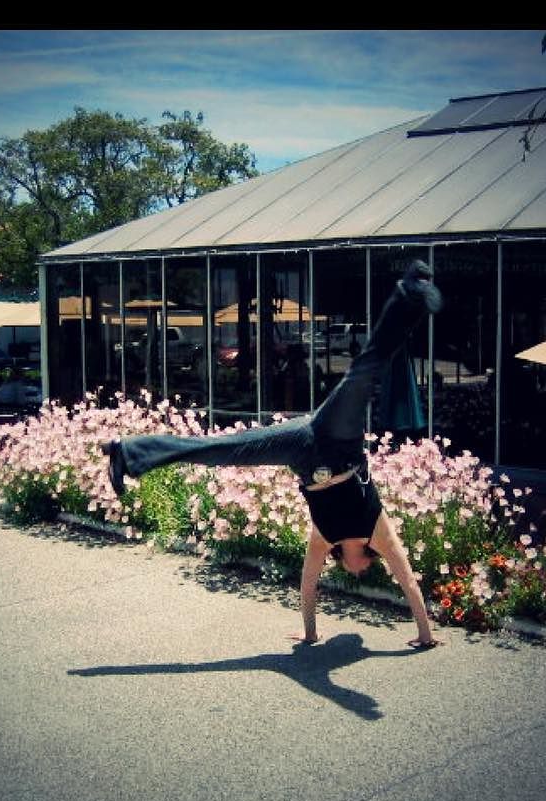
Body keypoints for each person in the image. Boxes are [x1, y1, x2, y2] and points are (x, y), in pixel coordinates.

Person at [104, 260, 445, 649]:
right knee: (364, 372)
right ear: (368, 557)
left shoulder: (324, 538)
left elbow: (308, 584)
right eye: (367, 570)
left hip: (301, 451)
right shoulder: (377, 531)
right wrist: (426, 635)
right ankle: (409, 291)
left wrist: (310, 633)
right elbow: (407, 579)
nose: (361, 572)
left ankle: (126, 452)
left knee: (222, 452)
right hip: (336, 440)